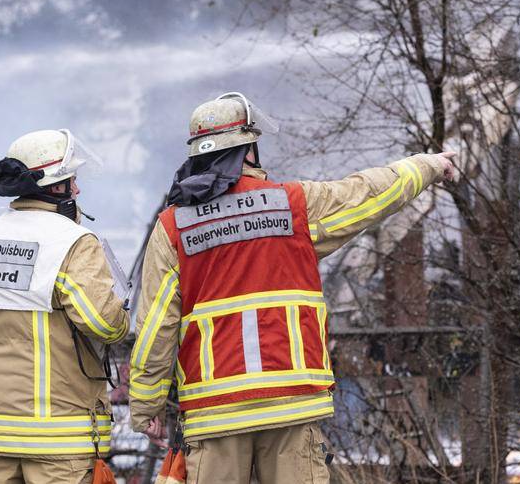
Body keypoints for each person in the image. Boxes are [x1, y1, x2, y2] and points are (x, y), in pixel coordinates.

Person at [128, 93, 455, 483]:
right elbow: (368, 192)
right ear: (249, 148)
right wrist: (427, 165)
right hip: (291, 401)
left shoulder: (172, 228)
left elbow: (154, 329)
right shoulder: (294, 206)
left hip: (214, 410)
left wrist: (145, 406)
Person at [0, 129, 129, 484]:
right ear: (55, 188)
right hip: (59, 444)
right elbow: (105, 324)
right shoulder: (73, 243)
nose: (77, 190)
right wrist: (121, 308)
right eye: (72, 180)